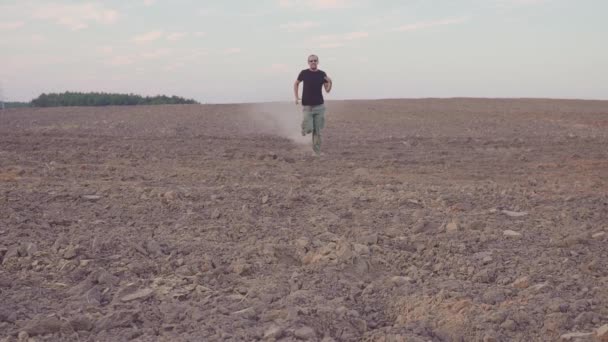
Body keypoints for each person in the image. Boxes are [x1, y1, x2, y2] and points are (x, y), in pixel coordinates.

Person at [294, 54, 332, 155]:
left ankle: (317, 152)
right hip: (307, 107)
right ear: (308, 63)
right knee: (309, 129)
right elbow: (296, 83)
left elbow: (327, 90)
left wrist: (330, 82)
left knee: (317, 131)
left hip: (319, 107)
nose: (313, 62)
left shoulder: (322, 74)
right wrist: (296, 97)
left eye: (315, 60)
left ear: (318, 62)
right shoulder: (304, 73)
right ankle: (305, 127)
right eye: (311, 61)